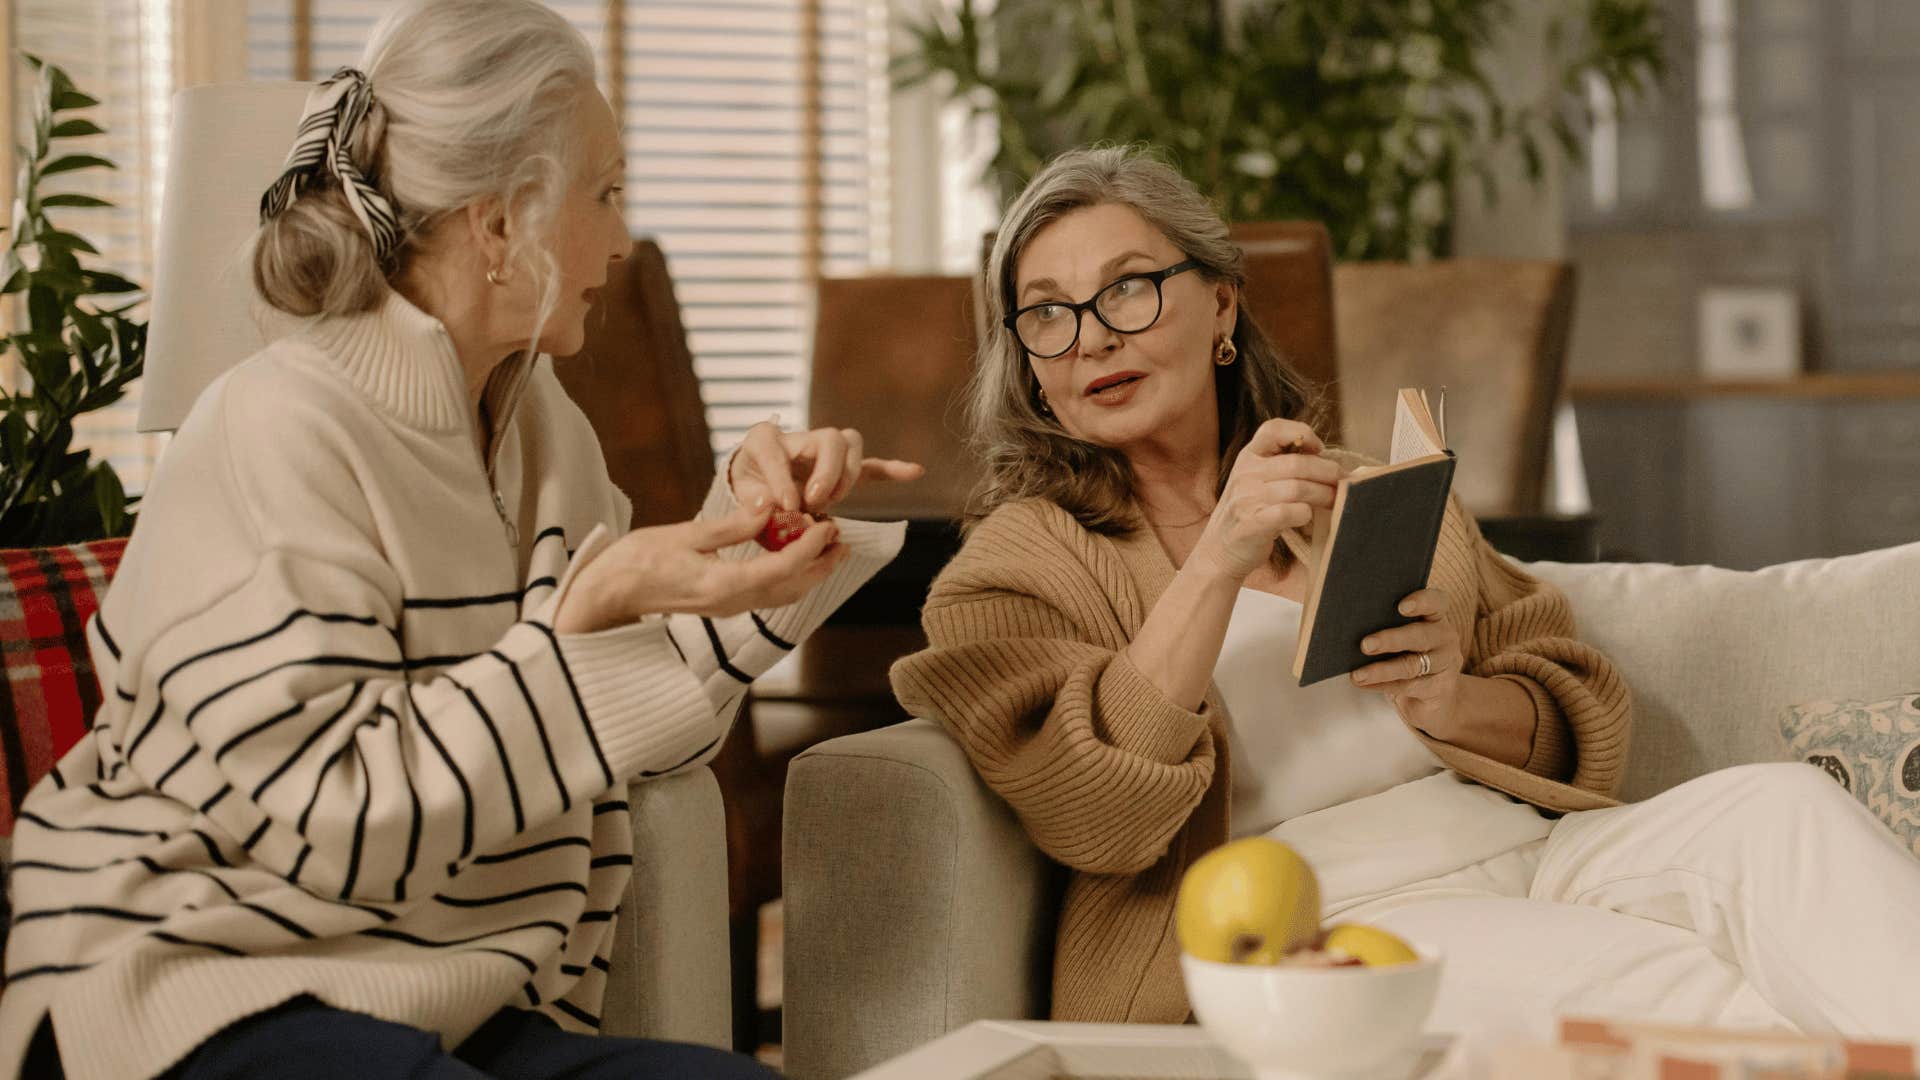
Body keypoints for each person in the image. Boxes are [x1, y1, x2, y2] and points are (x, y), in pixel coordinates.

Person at [0, 2, 920, 1077]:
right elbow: (329, 820)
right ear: (500, 224)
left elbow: (633, 719)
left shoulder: (546, 435)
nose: (623, 239)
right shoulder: (273, 426)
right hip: (202, 979)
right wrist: (580, 621)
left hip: (449, 997)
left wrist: (771, 549)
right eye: (606, 193)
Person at [890, 145, 1920, 1040]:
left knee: (1782, 810)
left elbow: (1568, 698)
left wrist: (1451, 698)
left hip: (1534, 843)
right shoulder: (1015, 567)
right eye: (1047, 315)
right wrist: (1217, 555)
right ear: (1029, 367)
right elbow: (1091, 813)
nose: (1094, 336)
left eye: (1127, 288)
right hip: (1323, 911)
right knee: (1695, 999)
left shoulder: (1359, 492)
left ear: (1221, 309)